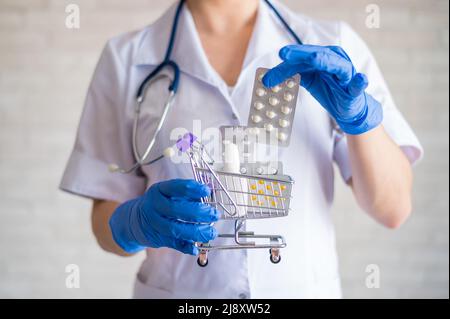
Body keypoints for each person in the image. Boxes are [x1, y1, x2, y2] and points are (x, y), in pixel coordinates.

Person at [60, 0, 423, 298]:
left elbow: (392, 209)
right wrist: (133, 224)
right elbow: (103, 225)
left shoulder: (332, 45)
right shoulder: (127, 58)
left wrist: (359, 118)